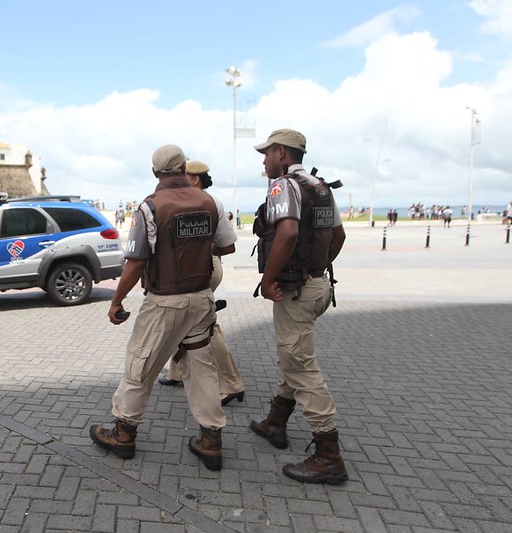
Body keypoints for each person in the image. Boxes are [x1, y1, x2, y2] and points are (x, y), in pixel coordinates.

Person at [89, 144, 237, 471]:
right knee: (202, 369)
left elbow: (136, 262)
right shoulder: (211, 201)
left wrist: (117, 300)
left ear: (155, 172)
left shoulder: (150, 208)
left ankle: (124, 434)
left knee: (140, 364)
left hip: (165, 303)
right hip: (201, 299)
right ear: (184, 167)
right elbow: (227, 245)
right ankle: (211, 439)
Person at [250, 129, 348, 485]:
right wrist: (315, 266)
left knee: (302, 367)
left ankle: (328, 455)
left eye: (267, 154)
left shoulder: (283, 187)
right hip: (319, 285)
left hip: (296, 290)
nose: (263, 161)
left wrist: (268, 279)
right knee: (292, 354)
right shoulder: (321, 188)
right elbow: (338, 237)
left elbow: (288, 233)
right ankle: (275, 422)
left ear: (281, 153)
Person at [157, 160, 245, 406]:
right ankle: (176, 372)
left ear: (194, 179)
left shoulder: (207, 203)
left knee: (206, 327)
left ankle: (232, 383)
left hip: (204, 268)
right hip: (192, 269)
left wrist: (202, 249)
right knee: (180, 321)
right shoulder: (199, 201)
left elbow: (227, 246)